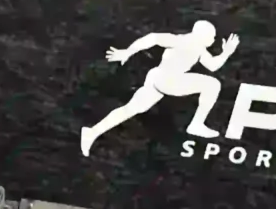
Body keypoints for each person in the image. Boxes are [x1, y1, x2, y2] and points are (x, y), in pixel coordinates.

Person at [79, 20, 241, 155]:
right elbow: (153, 38)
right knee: (212, 84)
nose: (213, 40)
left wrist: (226, 53)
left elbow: (213, 66)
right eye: (212, 37)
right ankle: (196, 124)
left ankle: (92, 132)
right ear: (201, 34)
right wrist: (128, 52)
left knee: (131, 109)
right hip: (168, 79)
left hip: (157, 77)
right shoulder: (182, 40)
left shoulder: (198, 49)